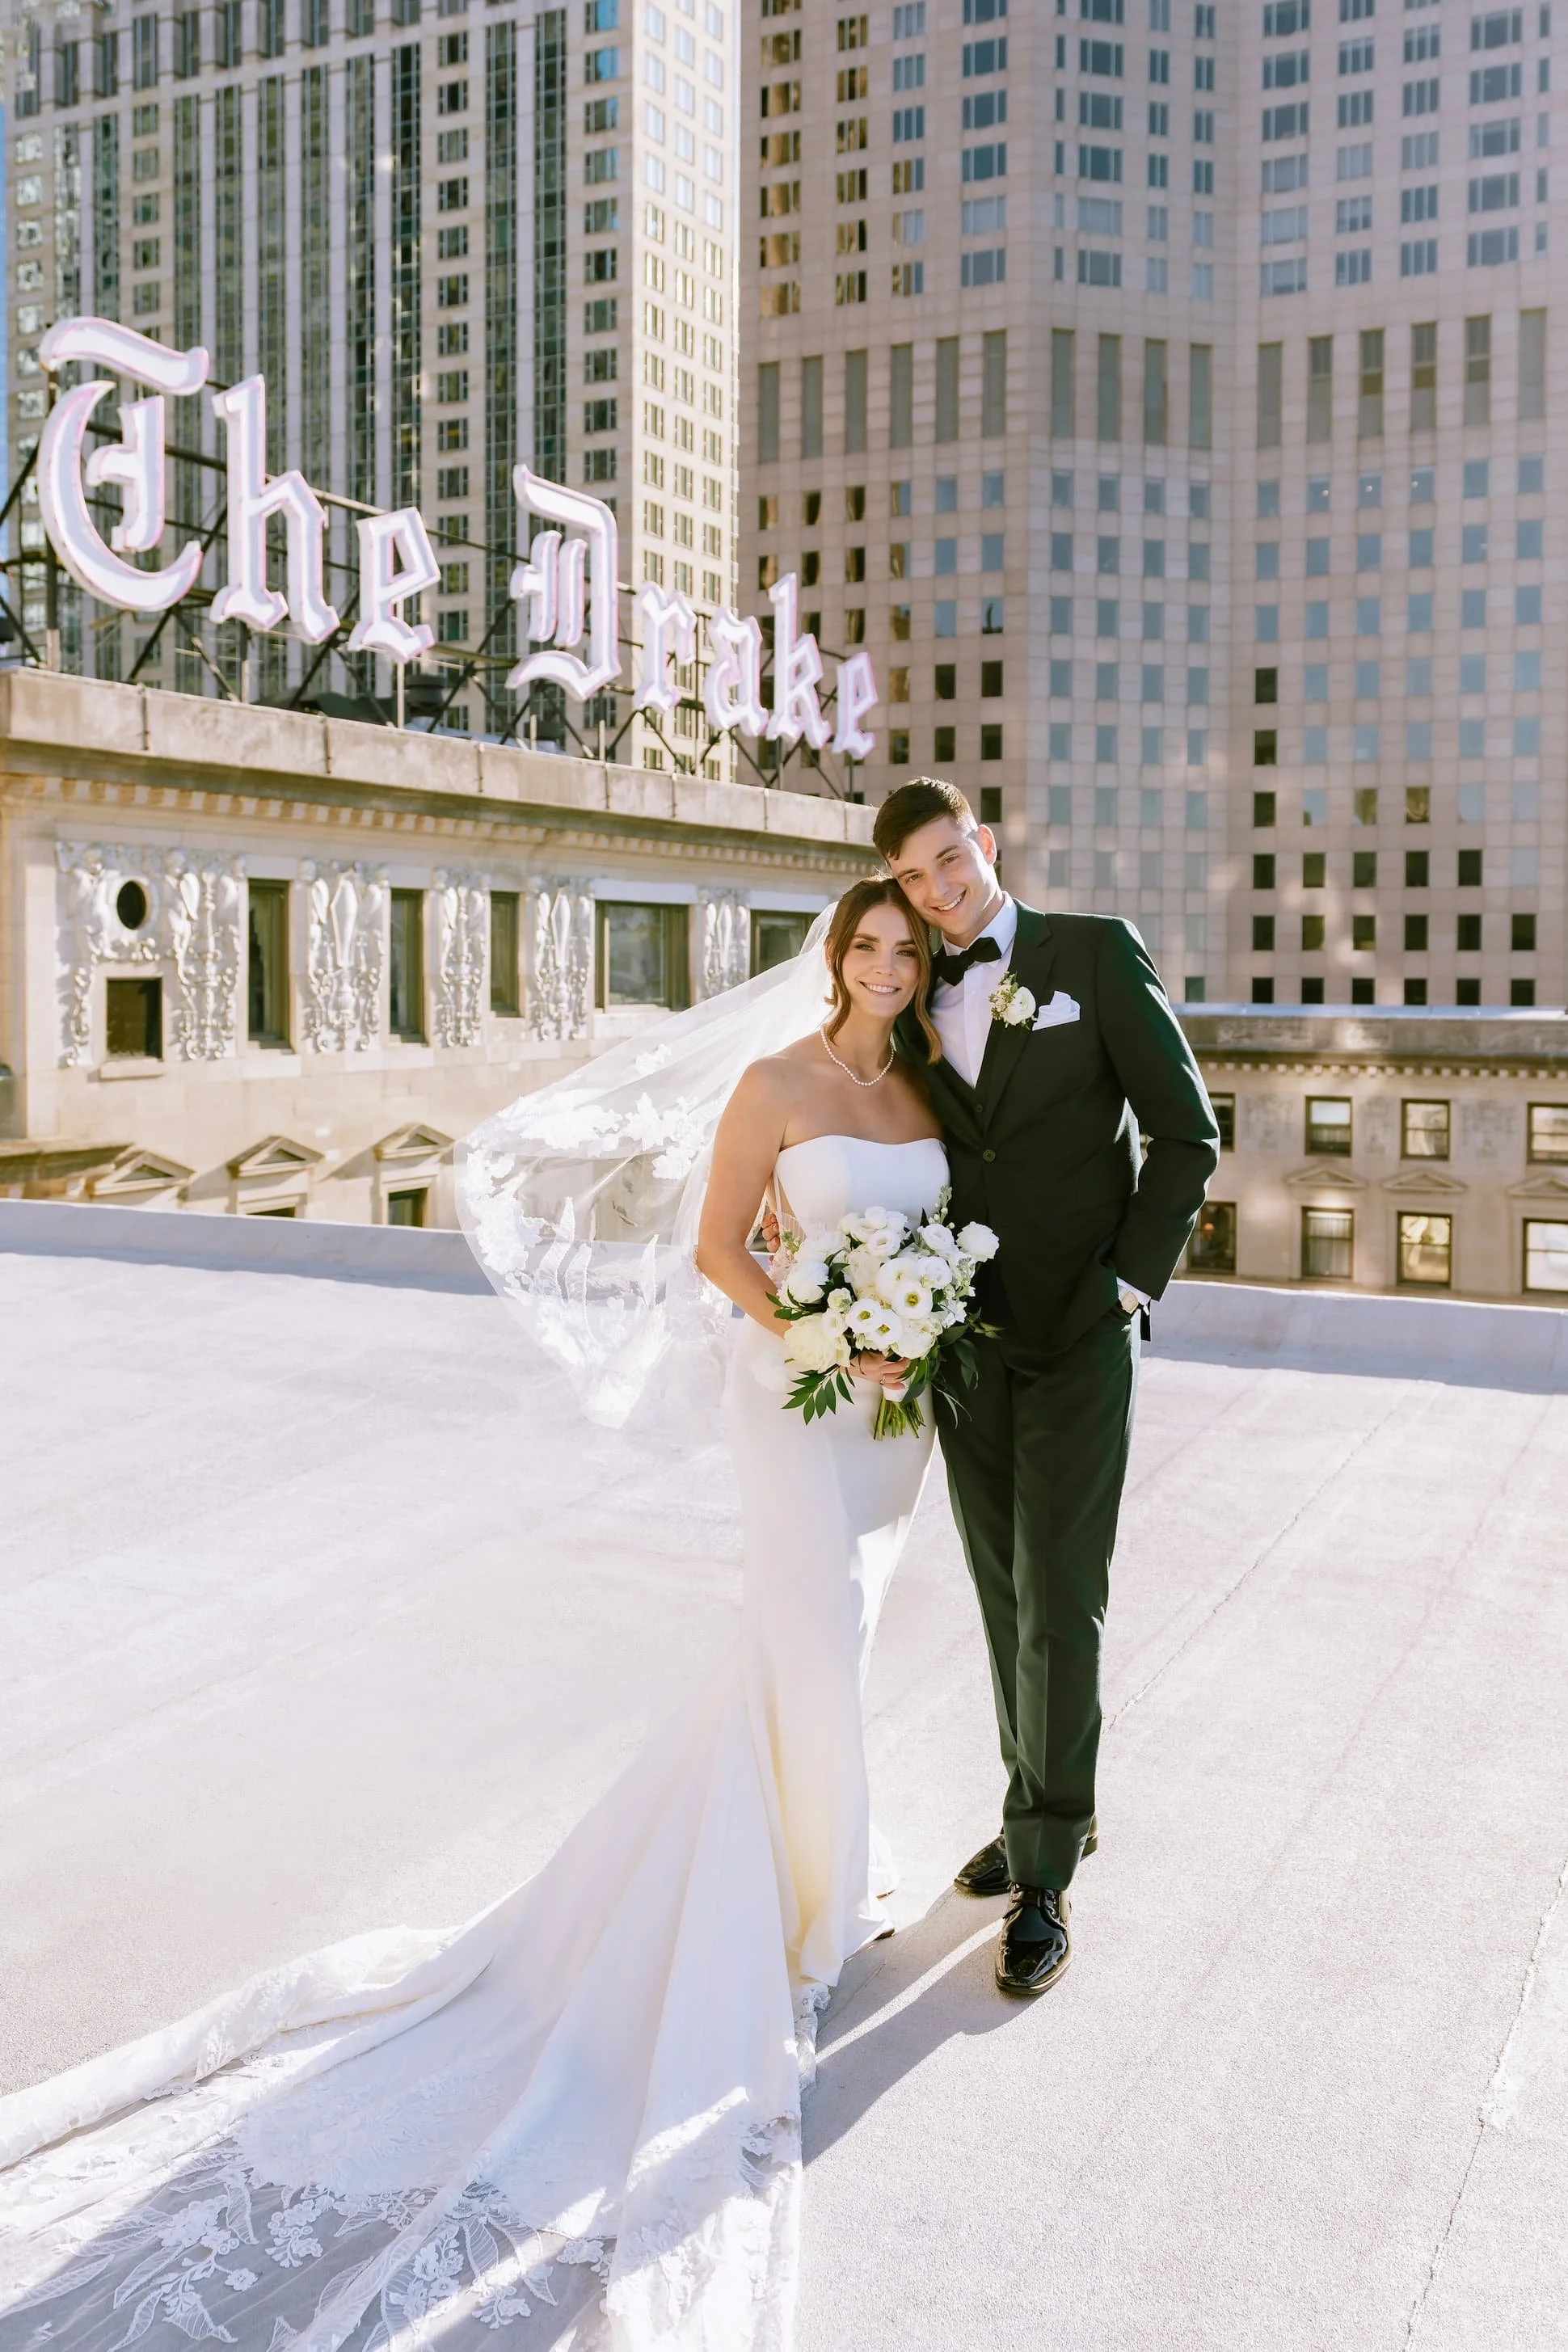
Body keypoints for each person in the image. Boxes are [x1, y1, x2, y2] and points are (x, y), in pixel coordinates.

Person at [0, 879, 950, 2352]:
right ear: (836, 957)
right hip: (802, 1396)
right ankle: (797, 1920)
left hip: (900, 1424)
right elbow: (720, 1247)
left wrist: (915, 1332)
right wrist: (829, 1330)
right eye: (868, 946)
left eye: (907, 951)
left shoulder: (935, 1086)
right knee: (809, 1630)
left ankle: (810, 1853)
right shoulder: (777, 1081)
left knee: (823, 1651)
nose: (887, 968)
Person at [875, 777, 1219, 1999]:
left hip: (1082, 1330)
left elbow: (1190, 1133)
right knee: (1003, 1587)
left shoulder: (1092, 954)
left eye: (947, 856)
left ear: (985, 841)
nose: (938, 886)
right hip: (970, 1342)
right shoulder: (916, 999)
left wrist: (1129, 1285)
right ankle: (1042, 1813)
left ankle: (1045, 1875)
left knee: (1061, 1595)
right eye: (915, 877)